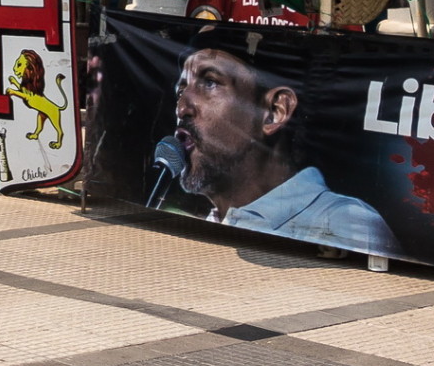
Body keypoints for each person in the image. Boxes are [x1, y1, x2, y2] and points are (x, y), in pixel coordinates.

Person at [170, 43, 400, 258]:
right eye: (181, 91)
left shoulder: (343, 222)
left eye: (210, 83)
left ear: (274, 112)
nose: (181, 109)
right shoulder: (213, 221)